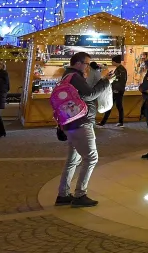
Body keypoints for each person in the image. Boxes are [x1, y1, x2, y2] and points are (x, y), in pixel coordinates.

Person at [54, 51, 115, 208]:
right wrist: (106, 81)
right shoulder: (75, 77)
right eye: (87, 64)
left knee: (73, 160)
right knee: (91, 158)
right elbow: (90, 95)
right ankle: (80, 195)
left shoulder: (67, 76)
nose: (88, 67)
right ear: (78, 63)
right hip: (81, 122)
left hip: (70, 122)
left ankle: (63, 194)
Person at [97, 54, 127, 127]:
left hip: (117, 91)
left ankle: (119, 122)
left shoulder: (121, 70)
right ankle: (105, 122)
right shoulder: (119, 69)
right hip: (116, 90)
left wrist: (116, 89)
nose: (112, 63)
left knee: (116, 106)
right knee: (113, 105)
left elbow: (121, 81)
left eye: (112, 61)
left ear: (115, 62)